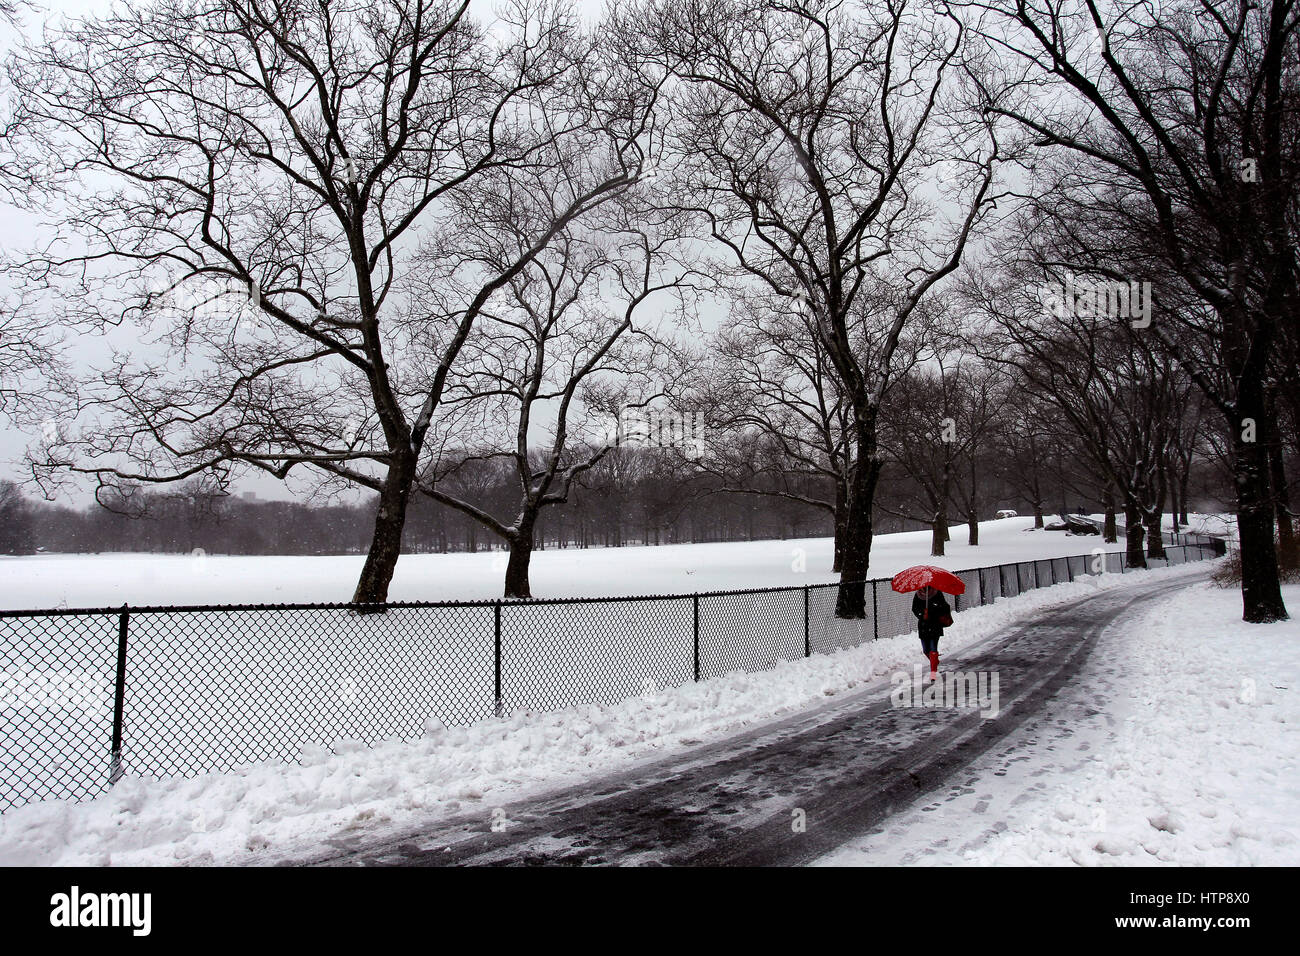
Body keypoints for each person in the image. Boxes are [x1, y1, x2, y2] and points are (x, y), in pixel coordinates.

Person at [912, 584, 951, 682]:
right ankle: (934, 661)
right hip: (923, 626)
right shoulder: (918, 595)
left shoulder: (937, 593)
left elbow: (945, 607)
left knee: (933, 648)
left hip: (935, 625)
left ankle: (933, 672)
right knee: (926, 650)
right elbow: (914, 608)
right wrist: (922, 614)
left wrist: (933, 610)